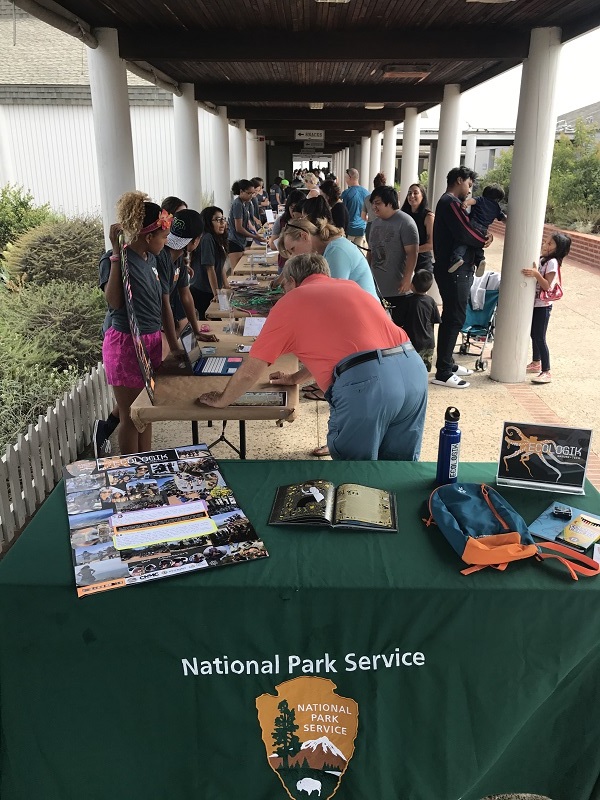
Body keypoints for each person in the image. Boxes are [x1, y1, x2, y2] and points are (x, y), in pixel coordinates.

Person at [197, 253, 428, 461]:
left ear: (291, 281)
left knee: (357, 477)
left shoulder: (293, 299)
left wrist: (222, 400)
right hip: (413, 371)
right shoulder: (351, 287)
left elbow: (251, 370)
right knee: (399, 468)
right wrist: (295, 378)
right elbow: (338, 350)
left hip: (368, 384)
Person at [101, 192, 172, 455]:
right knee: (131, 416)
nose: (166, 243)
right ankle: (134, 473)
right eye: (163, 238)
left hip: (150, 341)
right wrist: (117, 255)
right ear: (149, 236)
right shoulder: (117, 259)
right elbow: (115, 302)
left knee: (146, 413)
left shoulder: (150, 259)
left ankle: (146, 463)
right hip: (127, 344)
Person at [432, 166, 490, 388]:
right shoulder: (450, 203)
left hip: (457, 269)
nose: (470, 189)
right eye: (469, 184)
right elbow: (465, 232)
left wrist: (481, 238)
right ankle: (443, 372)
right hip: (454, 270)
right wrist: (483, 239)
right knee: (454, 317)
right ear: (459, 180)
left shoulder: (450, 203)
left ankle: (447, 362)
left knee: (454, 315)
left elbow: (468, 232)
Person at [157, 209, 218, 355]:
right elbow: (164, 304)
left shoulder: (179, 256)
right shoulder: (163, 258)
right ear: (196, 241)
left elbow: (186, 295)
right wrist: (174, 348)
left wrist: (196, 331)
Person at [279, 217, 379, 300]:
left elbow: (331, 296)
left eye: (293, 249)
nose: (293, 256)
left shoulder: (337, 250)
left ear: (304, 236)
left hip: (367, 315)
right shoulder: (327, 249)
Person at [522, 232, 571, 385]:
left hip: (543, 306)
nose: (545, 245)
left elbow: (546, 286)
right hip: (535, 303)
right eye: (545, 242)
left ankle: (546, 371)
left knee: (540, 337)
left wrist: (536, 274)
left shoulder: (553, 263)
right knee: (533, 334)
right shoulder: (544, 259)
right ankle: (536, 362)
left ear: (558, 249)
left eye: (549, 244)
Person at [368, 185, 419, 323]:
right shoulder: (375, 223)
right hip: (376, 289)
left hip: (397, 289)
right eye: (372, 203)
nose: (374, 207)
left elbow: (412, 253)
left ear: (389, 203)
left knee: (396, 328)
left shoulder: (406, 222)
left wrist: (407, 278)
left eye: (377, 203)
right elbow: (371, 251)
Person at [450, 183, 506, 275]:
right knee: (478, 245)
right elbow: (503, 218)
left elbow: (472, 201)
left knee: (463, 241)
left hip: (472, 225)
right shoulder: (497, 207)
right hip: (484, 230)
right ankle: (480, 260)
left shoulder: (481, 199)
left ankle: (457, 258)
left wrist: (465, 203)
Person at [392, 270, 441, 372]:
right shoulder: (431, 301)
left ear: (412, 285)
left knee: (411, 369)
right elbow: (435, 319)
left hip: (412, 343)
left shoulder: (407, 301)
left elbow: (397, 321)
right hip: (429, 342)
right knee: (424, 369)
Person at [189, 206, 230, 320]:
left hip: (211, 289)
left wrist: (226, 286)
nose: (222, 223)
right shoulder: (207, 238)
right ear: (208, 221)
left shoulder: (217, 238)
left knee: (216, 320)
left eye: (223, 219)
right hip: (202, 290)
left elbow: (220, 265)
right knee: (211, 321)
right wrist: (216, 294)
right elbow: (210, 268)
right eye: (217, 220)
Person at [227, 180, 262, 271]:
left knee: (240, 269)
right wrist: (254, 236)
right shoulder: (238, 204)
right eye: (249, 193)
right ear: (241, 191)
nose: (251, 195)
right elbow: (239, 228)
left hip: (240, 240)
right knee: (236, 270)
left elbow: (247, 222)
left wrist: (255, 234)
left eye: (253, 193)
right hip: (234, 241)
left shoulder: (244, 203)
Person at [401, 183, 435, 273]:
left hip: (422, 263)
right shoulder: (403, 215)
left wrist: (410, 251)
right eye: (409, 193)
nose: (412, 195)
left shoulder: (428, 216)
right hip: (403, 262)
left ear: (422, 196)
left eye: (415, 193)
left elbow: (431, 244)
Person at [341, 168, 369, 249]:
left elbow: (343, 212)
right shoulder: (367, 193)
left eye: (346, 177)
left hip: (349, 229)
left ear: (350, 178)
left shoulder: (346, 194)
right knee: (359, 252)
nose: (345, 180)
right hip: (362, 229)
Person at [361, 172, 386, 244]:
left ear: (374, 184)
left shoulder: (367, 198)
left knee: (371, 250)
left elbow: (363, 216)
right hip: (384, 226)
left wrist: (369, 219)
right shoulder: (387, 198)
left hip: (371, 226)